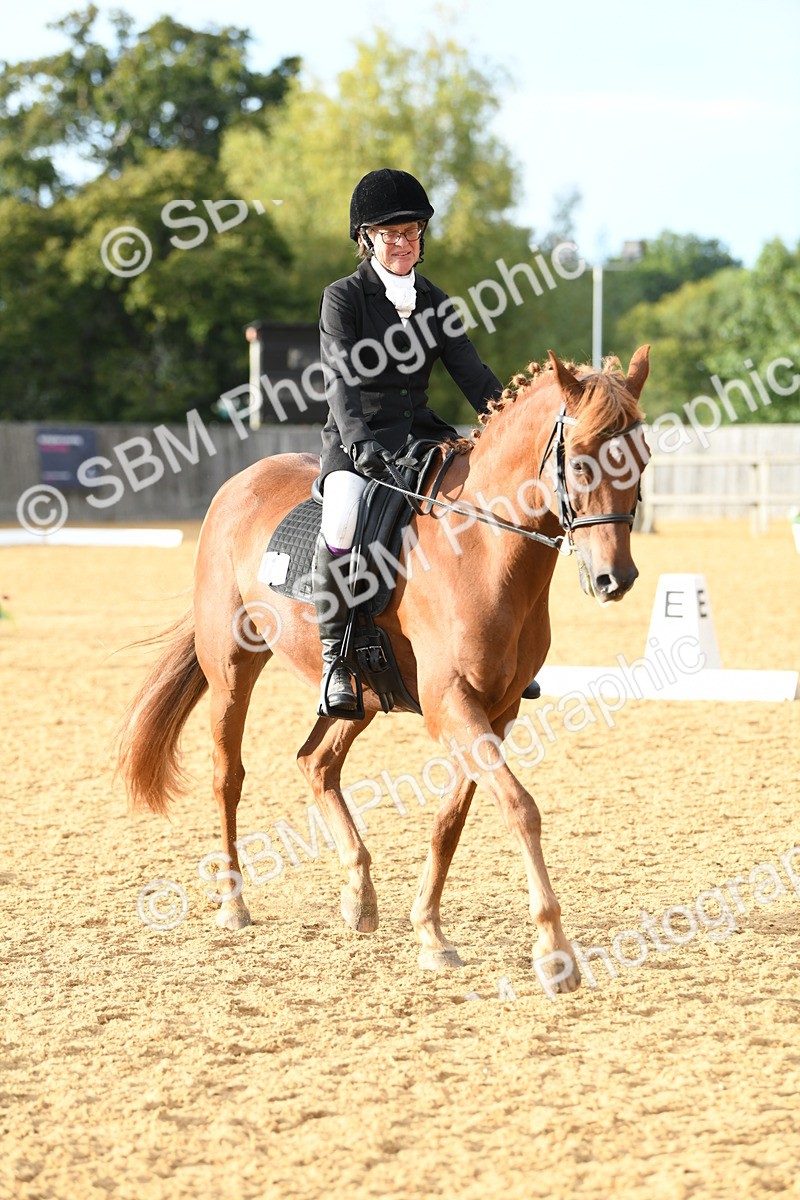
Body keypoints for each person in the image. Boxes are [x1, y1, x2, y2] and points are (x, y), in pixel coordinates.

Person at [313, 167, 504, 716]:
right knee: (343, 515)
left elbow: (475, 376)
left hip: (419, 434)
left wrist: (506, 419)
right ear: (367, 238)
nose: (401, 243)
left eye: (411, 232)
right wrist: (358, 444)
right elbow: (339, 380)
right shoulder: (344, 299)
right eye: (389, 233)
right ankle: (336, 659)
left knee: (481, 501)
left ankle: (492, 653)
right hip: (357, 439)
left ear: (422, 237)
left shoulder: (436, 302)